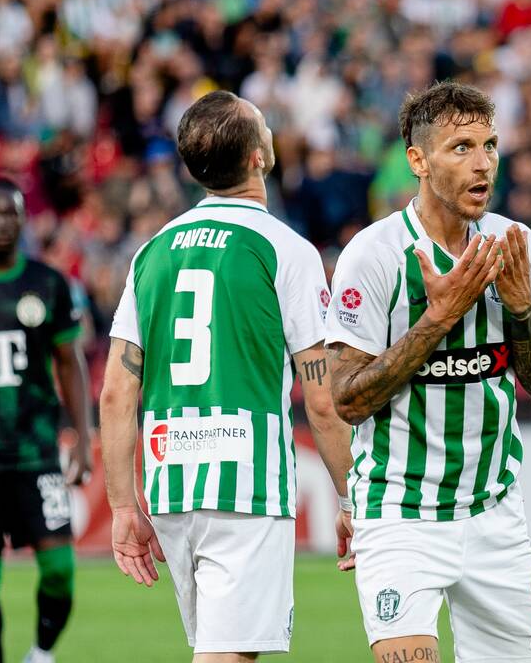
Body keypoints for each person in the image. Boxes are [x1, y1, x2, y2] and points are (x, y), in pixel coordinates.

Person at [99, 90, 354, 662]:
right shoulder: (284, 249)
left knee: (218, 649)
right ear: (259, 157)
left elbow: (118, 390)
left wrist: (122, 507)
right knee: (229, 655)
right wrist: (350, 497)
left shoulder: (152, 252)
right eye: (263, 124)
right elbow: (321, 397)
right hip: (245, 480)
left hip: (170, 482)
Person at [326, 80, 531, 663]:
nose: (482, 163)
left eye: (489, 145)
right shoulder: (376, 254)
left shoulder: (517, 244)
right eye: (461, 147)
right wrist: (437, 319)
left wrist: (520, 312)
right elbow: (348, 400)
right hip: (399, 513)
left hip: (494, 513)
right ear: (418, 160)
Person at [0, 178, 93, 663]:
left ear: (25, 220)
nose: (2, 222)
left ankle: (41, 654)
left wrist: (84, 439)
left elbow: (70, 363)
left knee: (59, 570)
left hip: (38, 454)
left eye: (11, 213)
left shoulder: (48, 283)